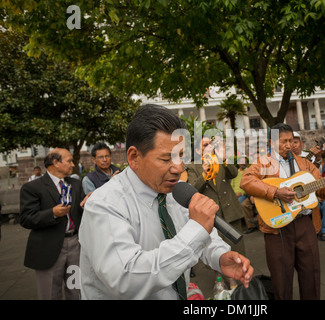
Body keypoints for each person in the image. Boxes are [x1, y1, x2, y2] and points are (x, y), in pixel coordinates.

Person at [78, 104, 253, 299]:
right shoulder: (105, 205)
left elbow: (204, 236)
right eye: (166, 159)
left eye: (180, 156)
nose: (178, 168)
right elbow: (127, 278)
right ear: (134, 157)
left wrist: (219, 256)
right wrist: (196, 229)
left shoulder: (174, 192)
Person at [240, 123, 325, 300]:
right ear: (272, 142)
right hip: (277, 228)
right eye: (284, 141)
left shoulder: (305, 164)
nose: (289, 145)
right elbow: (247, 181)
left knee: (311, 274)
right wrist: (275, 192)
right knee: (281, 279)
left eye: (291, 140)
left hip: (305, 224)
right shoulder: (263, 162)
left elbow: (322, 190)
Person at [19, 148, 88, 299]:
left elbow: (81, 211)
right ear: (56, 163)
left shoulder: (76, 184)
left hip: (75, 245)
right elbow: (26, 218)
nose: (73, 164)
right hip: (48, 248)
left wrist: (89, 203)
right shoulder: (32, 188)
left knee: (76, 290)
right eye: (69, 161)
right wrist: (53, 213)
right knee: (50, 293)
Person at [186, 136, 246, 289]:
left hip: (231, 213)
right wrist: (204, 173)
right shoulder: (192, 166)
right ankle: (223, 282)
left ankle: (240, 282)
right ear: (198, 150)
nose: (209, 146)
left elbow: (233, 174)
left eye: (210, 144)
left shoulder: (219, 160)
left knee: (237, 250)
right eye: (205, 144)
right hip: (211, 218)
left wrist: (225, 159)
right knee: (216, 251)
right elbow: (192, 189)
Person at [231, 156, 257, 234]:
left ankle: (251, 226)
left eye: (244, 162)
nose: (242, 163)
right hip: (235, 195)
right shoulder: (235, 173)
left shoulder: (249, 171)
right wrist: (233, 194)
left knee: (241, 204)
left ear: (246, 163)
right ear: (238, 163)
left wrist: (241, 193)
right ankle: (235, 227)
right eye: (241, 161)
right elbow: (232, 185)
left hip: (245, 194)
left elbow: (250, 185)